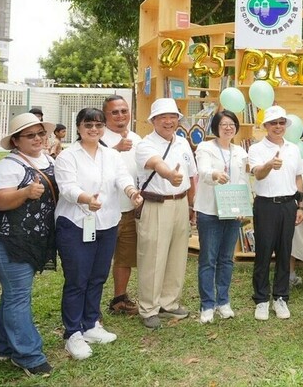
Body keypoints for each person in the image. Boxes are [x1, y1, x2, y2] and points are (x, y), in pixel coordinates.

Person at [54, 107, 142, 360]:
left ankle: (91, 324)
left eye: (98, 125)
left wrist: (132, 193)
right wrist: (85, 198)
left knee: (97, 277)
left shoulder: (110, 155)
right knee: (77, 280)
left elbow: (122, 178)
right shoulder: (68, 156)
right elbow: (67, 187)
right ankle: (73, 333)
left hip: (106, 222)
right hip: (75, 223)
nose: (93, 129)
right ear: (79, 127)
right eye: (88, 125)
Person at [0, 113, 58, 377]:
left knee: (13, 295)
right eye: (30, 135)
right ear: (15, 141)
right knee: (17, 297)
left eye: (40, 133)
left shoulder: (46, 159)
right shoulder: (7, 166)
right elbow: (1, 201)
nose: (37, 138)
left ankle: (3, 347)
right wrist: (25, 193)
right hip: (11, 240)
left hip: (34, 239)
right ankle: (28, 355)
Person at [134, 97, 197, 330]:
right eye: (163, 117)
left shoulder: (182, 143)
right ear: (153, 120)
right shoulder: (145, 144)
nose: (169, 121)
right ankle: (149, 308)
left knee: (177, 255)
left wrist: (192, 206)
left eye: (173, 117)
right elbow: (156, 163)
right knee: (153, 257)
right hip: (156, 204)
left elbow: (192, 176)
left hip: (181, 203)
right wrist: (169, 175)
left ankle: (169, 302)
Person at [248, 105, 303, 321]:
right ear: (266, 126)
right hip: (265, 205)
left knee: (285, 251)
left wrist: (300, 206)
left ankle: (281, 297)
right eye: (274, 123)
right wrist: (270, 164)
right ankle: (261, 299)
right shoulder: (256, 149)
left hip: (288, 205)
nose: (278, 127)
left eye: (282, 123)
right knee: (263, 252)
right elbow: (258, 175)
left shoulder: (293, 148)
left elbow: (299, 178)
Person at [194, 109, 249, 323]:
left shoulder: (240, 152)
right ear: (216, 127)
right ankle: (207, 305)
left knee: (226, 259)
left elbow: (243, 180)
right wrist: (214, 174)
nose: (228, 127)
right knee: (208, 259)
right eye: (224, 124)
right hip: (209, 210)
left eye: (232, 124)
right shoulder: (205, 148)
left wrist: (243, 206)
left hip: (232, 212)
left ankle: (223, 301)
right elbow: (203, 172)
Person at [101, 96, 143, 316]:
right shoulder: (97, 137)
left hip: (129, 209)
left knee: (125, 257)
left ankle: (119, 298)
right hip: (103, 211)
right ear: (105, 115)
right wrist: (115, 149)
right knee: (98, 260)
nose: (120, 116)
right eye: (114, 112)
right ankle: (90, 303)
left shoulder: (137, 138)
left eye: (124, 111)